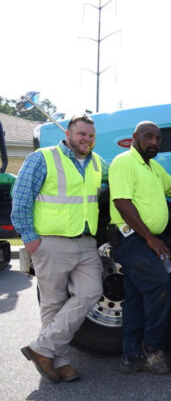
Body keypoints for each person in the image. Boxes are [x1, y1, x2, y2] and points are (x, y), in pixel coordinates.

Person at [12, 114, 106, 383]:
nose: (86, 140)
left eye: (90, 136)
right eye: (81, 134)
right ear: (68, 134)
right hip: (50, 241)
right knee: (53, 303)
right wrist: (29, 237)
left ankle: (41, 348)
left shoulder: (98, 163)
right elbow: (21, 197)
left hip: (86, 242)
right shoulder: (43, 158)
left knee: (91, 293)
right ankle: (60, 361)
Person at [109, 121, 171, 374]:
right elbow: (121, 202)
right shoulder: (124, 162)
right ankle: (153, 349)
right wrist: (150, 238)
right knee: (160, 285)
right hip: (132, 239)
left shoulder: (152, 167)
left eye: (158, 139)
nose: (154, 142)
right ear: (134, 137)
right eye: (148, 137)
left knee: (135, 296)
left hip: (143, 240)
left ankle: (130, 356)